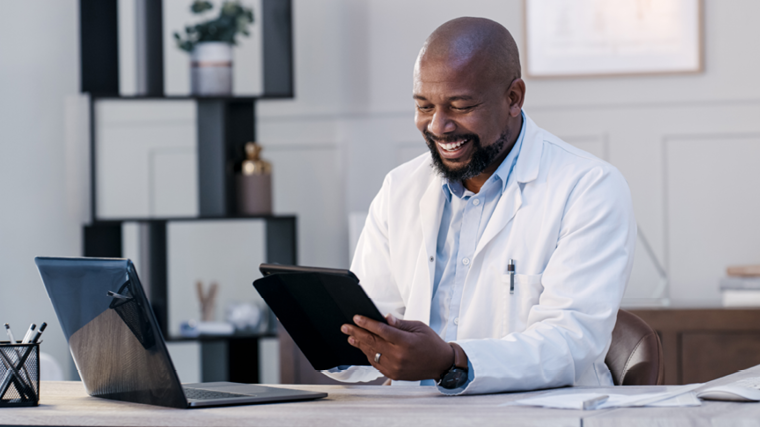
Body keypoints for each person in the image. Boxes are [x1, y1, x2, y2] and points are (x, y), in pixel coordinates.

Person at [323, 17, 636, 395]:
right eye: (424, 106)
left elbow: (571, 343)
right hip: (414, 414)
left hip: (540, 415)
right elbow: (368, 324)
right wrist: (345, 334)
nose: (438, 126)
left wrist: (449, 361)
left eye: (461, 106)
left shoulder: (589, 187)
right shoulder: (400, 188)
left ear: (513, 98)